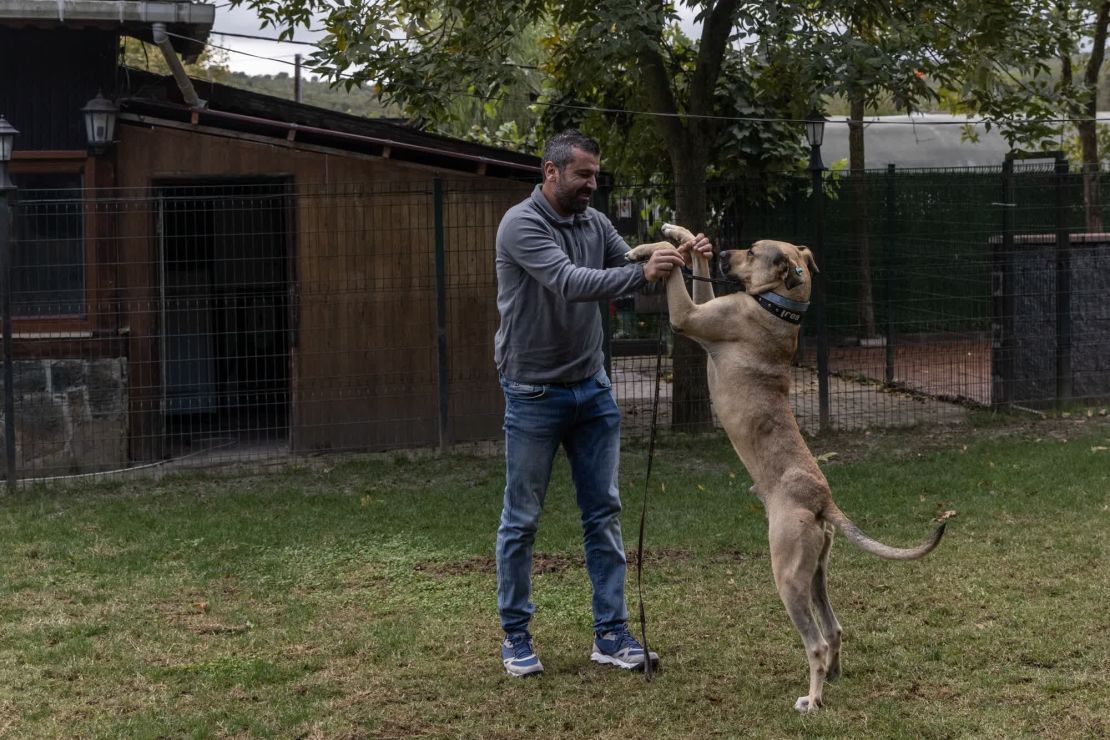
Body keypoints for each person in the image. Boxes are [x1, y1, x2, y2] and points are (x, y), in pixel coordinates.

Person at [493, 129, 712, 677]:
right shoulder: (521, 225)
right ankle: (516, 636)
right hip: (533, 390)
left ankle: (611, 635)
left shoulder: (594, 222)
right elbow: (570, 281)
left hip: (592, 387)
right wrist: (641, 269)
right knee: (522, 519)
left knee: (604, 514)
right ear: (551, 172)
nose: (593, 184)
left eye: (595, 175)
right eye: (583, 175)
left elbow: (629, 273)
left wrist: (679, 259)